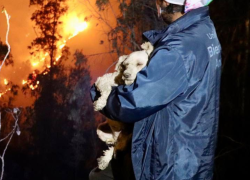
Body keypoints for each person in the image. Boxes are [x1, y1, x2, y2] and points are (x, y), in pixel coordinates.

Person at [90, 0, 221, 179]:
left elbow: (130, 104)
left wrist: (99, 91)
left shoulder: (178, 49)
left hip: (170, 165)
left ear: (167, 3)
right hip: (192, 154)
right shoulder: (204, 29)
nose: (157, 6)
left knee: (99, 176)